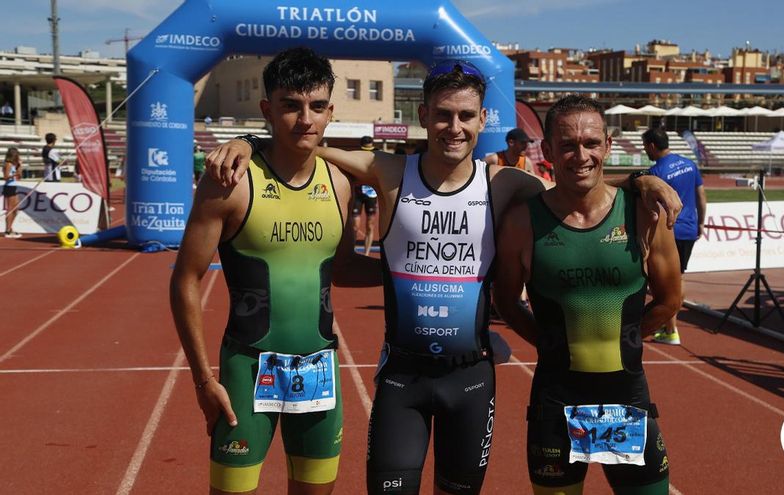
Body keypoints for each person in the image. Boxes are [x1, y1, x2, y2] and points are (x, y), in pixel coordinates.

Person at [206, 60, 682, 495]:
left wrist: (643, 180)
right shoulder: (389, 171)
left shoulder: (504, 184)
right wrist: (249, 142)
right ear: (423, 115)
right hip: (402, 380)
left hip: (470, 381)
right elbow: (308, 143)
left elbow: (581, 183)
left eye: (466, 116)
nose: (454, 127)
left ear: (481, 122)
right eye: (443, 115)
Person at [170, 47, 378, 495]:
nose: (306, 119)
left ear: (330, 112)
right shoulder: (230, 181)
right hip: (247, 371)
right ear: (268, 109)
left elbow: (340, 269)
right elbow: (185, 279)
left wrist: (410, 273)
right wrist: (203, 381)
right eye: (291, 106)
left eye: (317, 107)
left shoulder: (339, 184)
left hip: (322, 371)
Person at [494, 95, 681, 495]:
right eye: (567, 144)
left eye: (591, 143)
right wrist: (550, 342)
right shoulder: (521, 222)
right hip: (556, 399)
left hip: (624, 398)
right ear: (547, 150)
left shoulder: (644, 214)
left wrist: (625, 338)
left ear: (608, 146)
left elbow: (670, 301)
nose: (581, 155)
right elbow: (507, 302)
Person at [642, 127, 707, 346]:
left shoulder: (655, 172)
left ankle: (671, 329)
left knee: (664, 281)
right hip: (688, 228)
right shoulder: (689, 164)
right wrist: (701, 222)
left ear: (652, 145)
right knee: (679, 276)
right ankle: (669, 326)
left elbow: (651, 208)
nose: (645, 151)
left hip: (669, 231)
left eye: (645, 147)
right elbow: (701, 196)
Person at [351, 136, 379, 255]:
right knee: (355, 226)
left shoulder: (377, 157)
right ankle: (351, 252)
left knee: (370, 225)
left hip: (371, 195)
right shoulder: (355, 157)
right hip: (358, 193)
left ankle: (366, 253)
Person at [3, 147, 22, 238]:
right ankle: (7, 230)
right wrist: (14, 174)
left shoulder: (14, 165)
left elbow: (20, 176)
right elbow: (6, 177)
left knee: (16, 209)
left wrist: (20, 166)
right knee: (10, 209)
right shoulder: (8, 164)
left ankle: (10, 228)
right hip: (9, 187)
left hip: (14, 186)